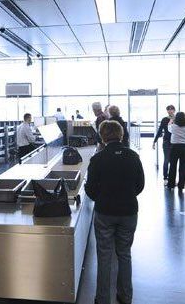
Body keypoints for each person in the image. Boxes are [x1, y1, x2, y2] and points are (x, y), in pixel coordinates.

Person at [85, 120, 145, 304]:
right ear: (121, 135)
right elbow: (140, 185)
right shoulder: (133, 156)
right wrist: (125, 195)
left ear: (102, 137)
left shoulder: (97, 159)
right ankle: (125, 296)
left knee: (104, 256)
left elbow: (90, 188)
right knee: (124, 254)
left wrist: (102, 198)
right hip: (128, 211)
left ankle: (102, 299)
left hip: (105, 212)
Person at [153, 105, 176, 185]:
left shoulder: (178, 119)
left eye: (171, 109)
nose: (170, 111)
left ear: (174, 110)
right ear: (167, 111)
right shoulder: (164, 119)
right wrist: (154, 141)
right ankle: (165, 178)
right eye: (168, 110)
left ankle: (171, 178)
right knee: (166, 160)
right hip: (166, 142)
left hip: (175, 142)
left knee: (173, 161)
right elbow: (160, 130)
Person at [167, 111, 185, 191]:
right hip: (184, 147)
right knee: (183, 167)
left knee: (173, 166)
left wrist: (172, 119)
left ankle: (171, 185)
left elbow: (168, 127)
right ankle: (181, 185)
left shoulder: (173, 126)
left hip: (174, 147)